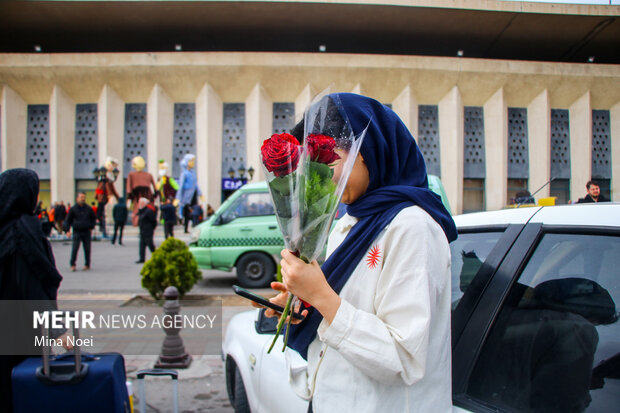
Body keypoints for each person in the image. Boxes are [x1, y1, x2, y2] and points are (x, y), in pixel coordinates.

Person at [260, 94, 457, 412]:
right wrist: (303, 302)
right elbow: (343, 312)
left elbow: (404, 358)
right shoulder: (348, 221)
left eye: (328, 162)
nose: (320, 178)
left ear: (366, 153)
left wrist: (322, 296)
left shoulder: (414, 227)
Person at [0, 169, 71, 412]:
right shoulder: (24, 230)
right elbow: (33, 284)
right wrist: (58, 331)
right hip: (20, 332)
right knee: (24, 388)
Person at [64, 192, 96, 271]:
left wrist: (91, 226)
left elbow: (93, 218)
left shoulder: (88, 208)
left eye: (84, 197)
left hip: (86, 231)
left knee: (87, 249)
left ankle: (87, 264)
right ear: (77, 198)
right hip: (77, 231)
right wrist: (67, 230)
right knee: (75, 248)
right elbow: (67, 220)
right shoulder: (73, 209)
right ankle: (73, 264)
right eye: (81, 197)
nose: (83, 199)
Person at [136, 197, 157, 264]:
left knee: (150, 245)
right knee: (142, 246)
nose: (139, 204)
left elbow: (154, 221)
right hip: (142, 231)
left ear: (143, 203)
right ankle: (142, 258)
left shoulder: (148, 211)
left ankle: (156, 256)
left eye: (140, 203)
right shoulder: (142, 211)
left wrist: (151, 228)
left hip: (148, 231)